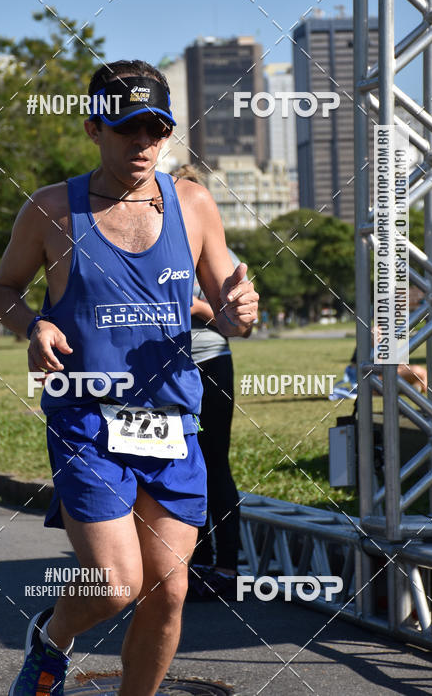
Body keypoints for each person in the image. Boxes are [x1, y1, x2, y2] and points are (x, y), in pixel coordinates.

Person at [0, 59, 259, 696]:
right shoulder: (52, 209)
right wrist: (33, 325)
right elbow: (0, 290)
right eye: (128, 129)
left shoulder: (193, 203)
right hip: (86, 417)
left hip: (170, 422)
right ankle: (52, 638)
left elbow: (227, 304)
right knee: (113, 586)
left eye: (155, 130)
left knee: (169, 592)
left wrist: (241, 311)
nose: (143, 144)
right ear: (93, 130)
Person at [174, 165, 247, 601]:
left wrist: (201, 309)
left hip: (210, 364)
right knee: (181, 466)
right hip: (165, 372)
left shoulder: (222, 250)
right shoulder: (153, 242)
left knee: (214, 463)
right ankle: (194, 560)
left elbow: (244, 327)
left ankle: (227, 567)